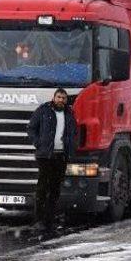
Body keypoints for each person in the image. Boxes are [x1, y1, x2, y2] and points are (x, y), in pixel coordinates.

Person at [27, 88, 77, 230]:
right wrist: (38, 143)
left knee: (55, 188)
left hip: (61, 155)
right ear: (53, 98)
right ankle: (38, 219)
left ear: (66, 100)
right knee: (42, 187)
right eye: (59, 97)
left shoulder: (69, 114)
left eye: (63, 98)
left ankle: (49, 220)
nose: (61, 100)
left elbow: (73, 132)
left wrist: (71, 146)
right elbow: (31, 128)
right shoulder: (43, 110)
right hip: (45, 155)